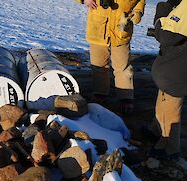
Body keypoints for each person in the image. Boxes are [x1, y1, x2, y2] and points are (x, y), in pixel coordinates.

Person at [76, 0, 145, 114]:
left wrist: (137, 12)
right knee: (98, 65)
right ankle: (100, 93)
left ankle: (125, 97)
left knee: (122, 67)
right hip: (98, 29)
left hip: (121, 29)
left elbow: (140, 1)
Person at [148, 0, 186, 159]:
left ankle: (170, 148)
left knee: (171, 108)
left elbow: (167, 36)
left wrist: (162, 12)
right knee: (164, 98)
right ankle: (156, 130)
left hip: (178, 67)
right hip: (174, 64)